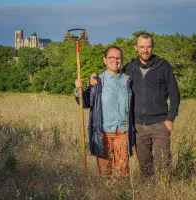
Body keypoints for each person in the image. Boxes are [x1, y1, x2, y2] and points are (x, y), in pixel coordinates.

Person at [89, 33, 180, 176]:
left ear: (153, 47)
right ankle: (147, 192)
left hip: (159, 123)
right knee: (144, 165)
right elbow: (113, 76)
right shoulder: (130, 68)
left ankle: (164, 191)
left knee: (163, 164)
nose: (145, 50)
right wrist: (93, 79)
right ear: (136, 47)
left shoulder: (163, 66)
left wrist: (170, 119)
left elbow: (174, 94)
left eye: (148, 47)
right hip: (137, 126)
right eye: (142, 47)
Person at [74, 46, 135, 179]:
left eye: (118, 58)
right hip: (104, 132)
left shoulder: (127, 80)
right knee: (104, 172)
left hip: (123, 131)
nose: (115, 60)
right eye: (111, 58)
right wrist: (78, 89)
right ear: (105, 60)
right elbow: (85, 103)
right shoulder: (97, 81)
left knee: (123, 171)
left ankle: (121, 195)